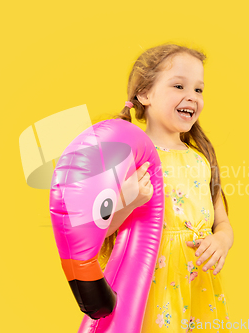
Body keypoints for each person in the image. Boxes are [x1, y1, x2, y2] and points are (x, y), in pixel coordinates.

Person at [99, 43, 234, 333]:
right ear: (145, 94)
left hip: (198, 285)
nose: (192, 97)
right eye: (178, 85)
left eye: (198, 90)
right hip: (150, 287)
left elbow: (221, 222)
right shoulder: (128, 155)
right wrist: (128, 200)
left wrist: (221, 241)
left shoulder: (201, 160)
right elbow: (99, 230)